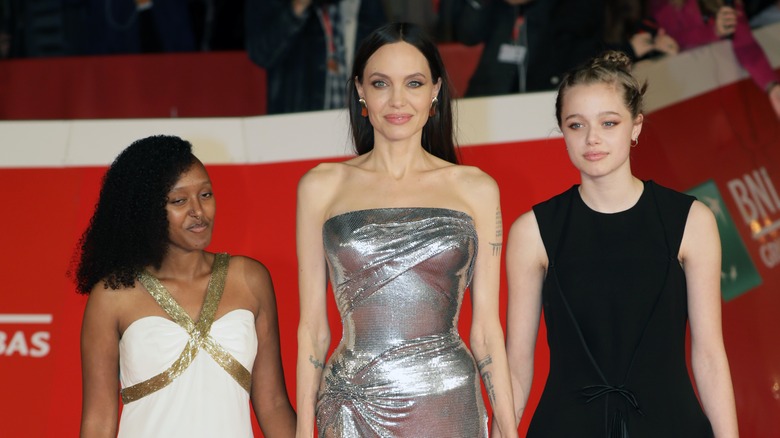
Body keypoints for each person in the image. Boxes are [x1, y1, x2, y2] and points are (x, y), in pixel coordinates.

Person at [295, 22, 517, 437]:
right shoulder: (321, 187)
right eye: (381, 83)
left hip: (447, 402)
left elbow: (486, 328)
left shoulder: (476, 189)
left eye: (413, 83)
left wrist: (508, 424)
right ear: (360, 90)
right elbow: (312, 329)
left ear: (435, 90)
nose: (397, 100)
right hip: (351, 403)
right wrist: (302, 430)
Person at [504, 51, 739, 437]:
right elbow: (516, 365)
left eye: (608, 123)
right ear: (561, 130)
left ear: (636, 127)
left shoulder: (691, 220)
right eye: (576, 125)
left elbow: (710, 355)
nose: (592, 138)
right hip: (566, 427)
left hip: (671, 426)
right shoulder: (532, 232)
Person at [73, 135, 295, 437]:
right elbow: (98, 421)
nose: (198, 212)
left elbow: (274, 404)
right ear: (145, 210)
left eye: (205, 195)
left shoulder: (249, 278)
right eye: (179, 201)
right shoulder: (113, 295)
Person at [449, 0, 678, 97]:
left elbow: (575, 50)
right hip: (490, 96)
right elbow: (467, 34)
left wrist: (644, 48)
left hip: (554, 99)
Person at [245, 0, 386, 114]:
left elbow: (382, 56)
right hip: (299, 124)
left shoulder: (365, 4)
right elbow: (260, 53)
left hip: (355, 124)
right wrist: (298, 7)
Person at [649, 0, 780, 119]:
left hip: (721, 90)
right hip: (682, 95)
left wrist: (771, 85)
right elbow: (673, 38)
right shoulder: (662, 6)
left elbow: (745, 44)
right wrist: (714, 32)